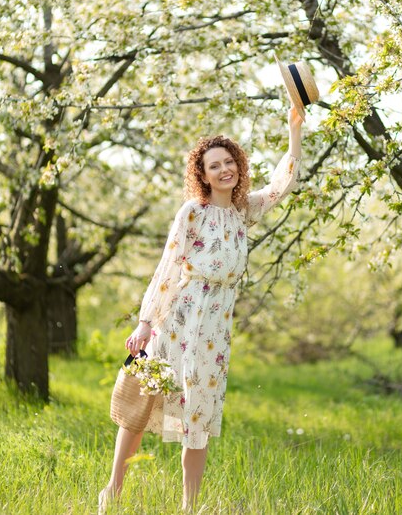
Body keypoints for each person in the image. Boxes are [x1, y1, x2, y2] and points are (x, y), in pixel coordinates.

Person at [99, 106, 303, 513]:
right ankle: (113, 490)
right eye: (215, 165)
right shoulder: (192, 212)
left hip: (214, 334)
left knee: (198, 419)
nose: (224, 170)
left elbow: (283, 184)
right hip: (177, 323)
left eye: (230, 162)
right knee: (144, 405)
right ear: (203, 174)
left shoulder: (244, 212)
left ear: (238, 168)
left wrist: (294, 133)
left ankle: (189, 507)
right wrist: (144, 324)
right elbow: (168, 267)